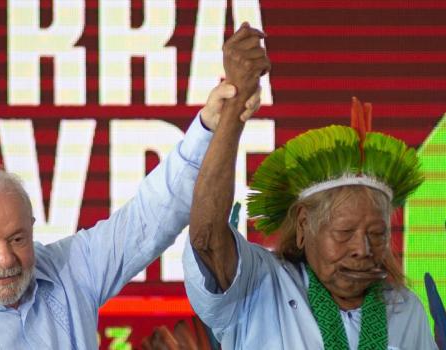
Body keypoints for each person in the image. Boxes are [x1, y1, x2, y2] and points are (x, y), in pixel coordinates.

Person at [0, 67, 265, 349]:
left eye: (17, 238)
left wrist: (209, 127)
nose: (6, 259)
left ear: (33, 227)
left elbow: (147, 220)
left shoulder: (67, 270)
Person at [183, 25, 438, 350]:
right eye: (345, 232)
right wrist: (235, 106)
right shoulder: (263, 285)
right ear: (303, 225)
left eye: (377, 233)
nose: (364, 249)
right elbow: (206, 239)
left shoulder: (405, 309)